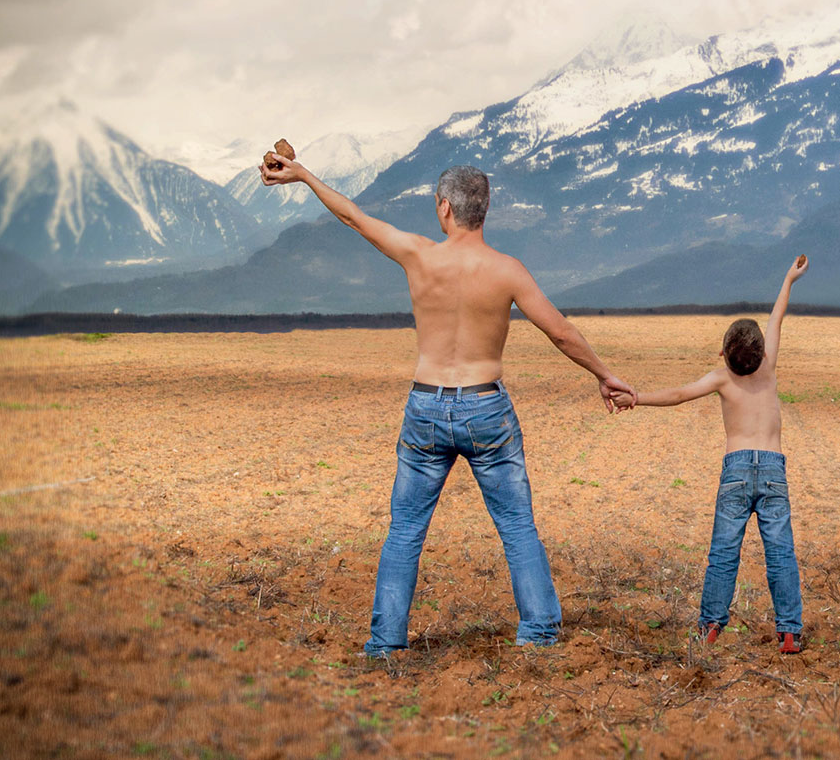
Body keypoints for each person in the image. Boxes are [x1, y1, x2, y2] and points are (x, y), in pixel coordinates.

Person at [259, 156, 637, 653]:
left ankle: (385, 643)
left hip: (426, 407)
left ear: (444, 209)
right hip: (486, 409)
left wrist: (304, 175)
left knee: (406, 531)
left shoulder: (420, 256)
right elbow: (561, 333)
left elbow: (352, 216)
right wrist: (605, 375)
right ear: (484, 211)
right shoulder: (506, 270)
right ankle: (539, 633)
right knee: (517, 525)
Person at [610, 253, 809, 653]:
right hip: (772, 468)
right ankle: (788, 631)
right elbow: (777, 317)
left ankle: (710, 626)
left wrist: (638, 398)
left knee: (723, 554)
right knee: (781, 554)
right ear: (761, 353)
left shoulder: (720, 378)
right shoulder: (768, 369)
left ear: (723, 355)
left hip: (735, 469)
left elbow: (680, 394)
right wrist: (789, 278)